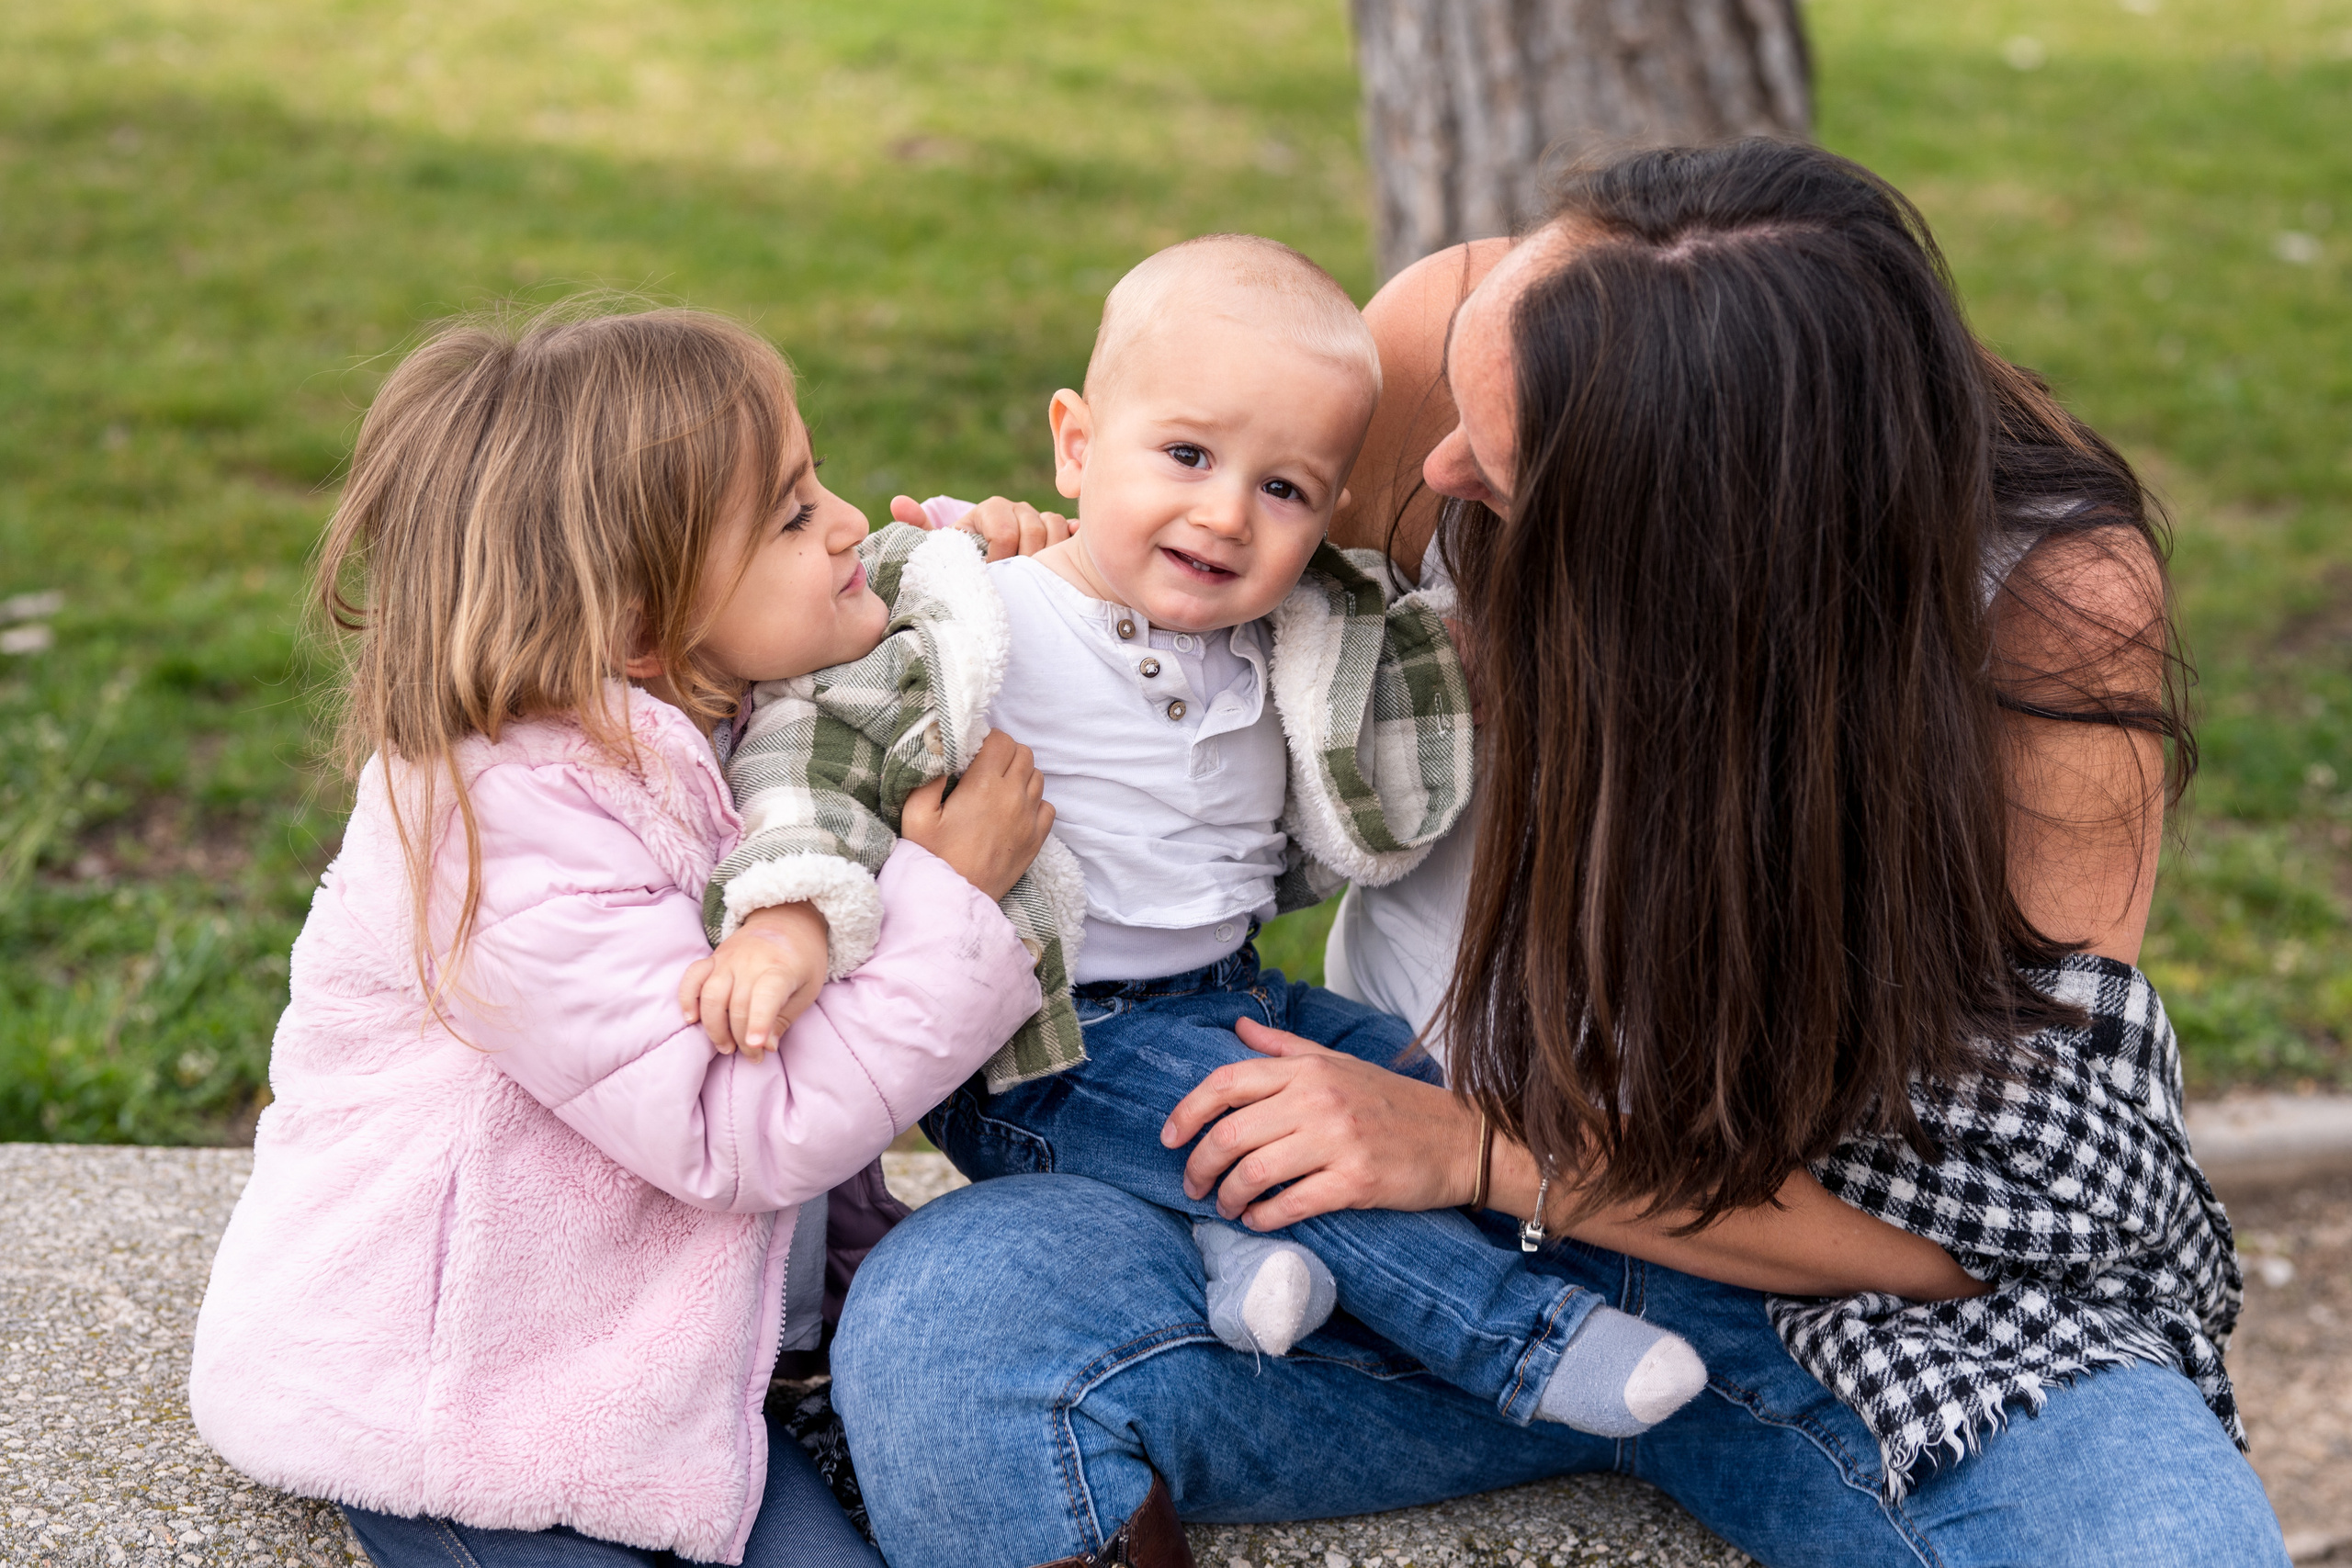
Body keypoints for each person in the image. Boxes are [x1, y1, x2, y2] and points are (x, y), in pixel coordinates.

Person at [831, 142, 2290, 1568]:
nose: (1437, 470)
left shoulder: (2048, 605)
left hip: (1794, 1282)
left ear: (1703, 539)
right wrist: (1017, 577)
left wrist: (1474, 1150)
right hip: (1366, 1239)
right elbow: (1182, 573)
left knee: (2166, 1544)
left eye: (1503, 476)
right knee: (950, 1331)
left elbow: (2004, 1215)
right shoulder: (1454, 344)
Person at [694, 233, 1710, 1444]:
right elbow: (816, 759)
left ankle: (1238, 1250)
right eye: (1186, 456)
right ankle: (1531, 1345)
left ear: (1327, 517)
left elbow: (1444, 674)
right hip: (1047, 1045)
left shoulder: (1296, 647)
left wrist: (1556, 619)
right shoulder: (980, 620)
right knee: (1285, 1147)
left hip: (1227, 992)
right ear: (1077, 444)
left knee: (1419, 1093)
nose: (1226, 515)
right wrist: (786, 922)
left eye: (1284, 491)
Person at [187, 304, 1059, 1567]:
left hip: (653, 1370)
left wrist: (1011, 587)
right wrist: (952, 902)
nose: (845, 524)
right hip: (462, 1409)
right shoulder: (500, 823)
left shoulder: (751, 723)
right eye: (791, 515)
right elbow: (732, 1126)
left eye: (815, 480)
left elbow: (956, 694)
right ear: (643, 625)